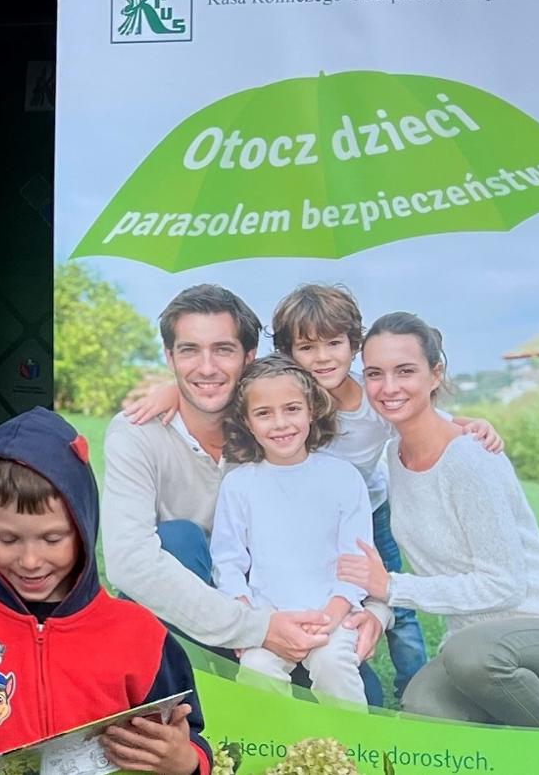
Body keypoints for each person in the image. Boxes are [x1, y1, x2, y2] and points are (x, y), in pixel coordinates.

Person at [125, 283, 505, 699]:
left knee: (392, 603)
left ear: (353, 346)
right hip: (290, 531)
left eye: (334, 344)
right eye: (307, 348)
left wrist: (467, 425)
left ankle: (410, 685)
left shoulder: (373, 399)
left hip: (367, 507)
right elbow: (233, 382)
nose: (322, 357)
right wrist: (173, 390)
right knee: (275, 651)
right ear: (290, 355)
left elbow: (418, 410)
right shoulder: (281, 396)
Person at [0, 409, 209, 775]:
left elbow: (189, 737)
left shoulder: (142, 634)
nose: (30, 560)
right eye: (7, 539)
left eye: (52, 539)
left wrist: (187, 762)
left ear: (83, 525)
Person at [339, 312, 539, 727]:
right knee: (424, 706)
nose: (388, 387)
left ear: (435, 374)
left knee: (472, 657)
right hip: (473, 644)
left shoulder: (469, 459)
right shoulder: (394, 454)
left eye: (405, 371)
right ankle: (512, 711)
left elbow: (504, 585)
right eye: (375, 373)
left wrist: (392, 587)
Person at [99, 285, 382, 671]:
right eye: (189, 350)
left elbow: (343, 531)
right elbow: (129, 562)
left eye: (223, 349)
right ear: (169, 356)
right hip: (200, 613)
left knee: (361, 691)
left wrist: (377, 611)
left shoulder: (277, 429)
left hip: (275, 605)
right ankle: (190, 678)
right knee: (178, 538)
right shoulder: (136, 434)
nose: (207, 367)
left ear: (249, 357)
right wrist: (255, 629)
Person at [209, 356, 371, 707]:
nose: (280, 423)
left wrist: (330, 617)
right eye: (264, 413)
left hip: (332, 614)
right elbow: (228, 561)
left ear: (311, 410)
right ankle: (271, 741)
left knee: (333, 664)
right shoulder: (239, 484)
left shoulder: (343, 478)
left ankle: (352, 741)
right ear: (247, 422)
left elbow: (357, 561)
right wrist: (247, 618)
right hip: (267, 616)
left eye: (292, 409)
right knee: (257, 670)